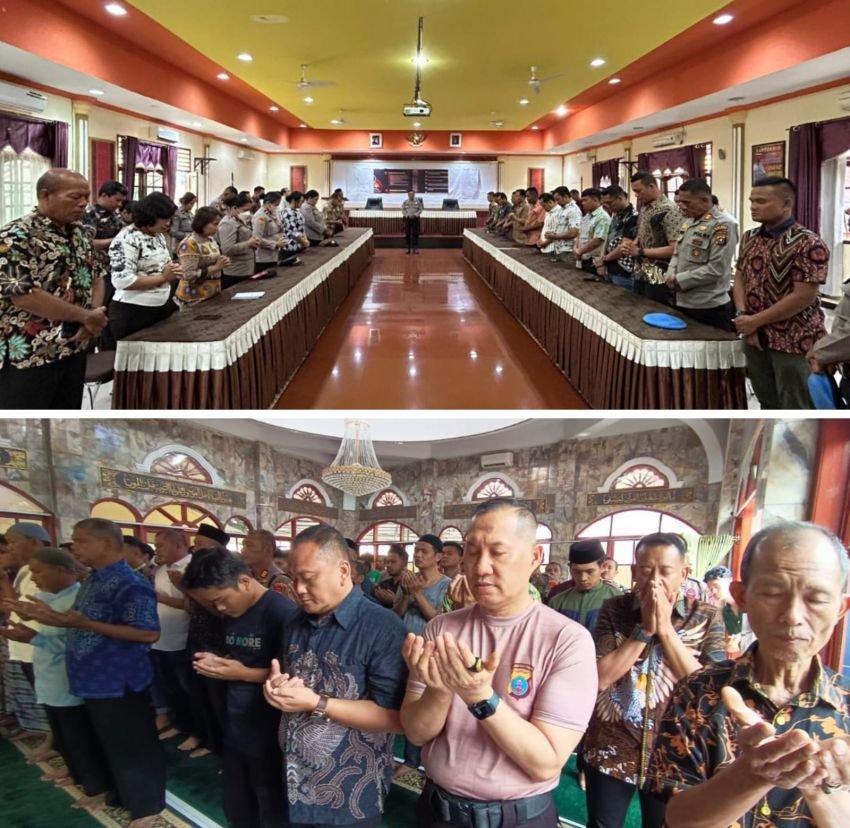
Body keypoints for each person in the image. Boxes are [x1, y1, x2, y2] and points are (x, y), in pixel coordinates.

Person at [400, 498, 598, 828]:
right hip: (438, 811)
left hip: (517, 818)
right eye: (472, 551)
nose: (480, 567)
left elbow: (545, 763)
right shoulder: (442, 628)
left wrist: (481, 697)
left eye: (498, 552)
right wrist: (438, 690)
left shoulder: (567, 640)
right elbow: (416, 733)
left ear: (535, 557)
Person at [651, 522, 850, 828]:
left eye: (817, 599)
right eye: (772, 592)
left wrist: (821, 788)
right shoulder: (699, 691)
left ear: (840, 607)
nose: (793, 616)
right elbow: (678, 818)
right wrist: (750, 775)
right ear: (741, 596)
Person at [8, 518, 165, 827]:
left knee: (132, 746)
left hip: (119, 680)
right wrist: (48, 617)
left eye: (81, 541)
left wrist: (82, 624)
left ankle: (148, 805)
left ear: (106, 544)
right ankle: (116, 793)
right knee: (106, 742)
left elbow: (148, 634)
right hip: (91, 680)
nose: (75, 547)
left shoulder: (131, 584)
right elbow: (78, 621)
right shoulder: (94, 579)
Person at [264, 524, 408, 827]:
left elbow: (396, 718)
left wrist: (316, 703)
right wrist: (278, 689)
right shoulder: (293, 621)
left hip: (350, 792)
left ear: (343, 570)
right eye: (294, 577)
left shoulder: (382, 627)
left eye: (309, 578)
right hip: (294, 781)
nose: (298, 588)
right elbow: (297, 684)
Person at [582, 532, 726, 828]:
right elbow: (600, 678)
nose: (654, 580)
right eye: (646, 570)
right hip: (611, 745)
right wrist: (644, 631)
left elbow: (709, 691)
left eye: (665, 571)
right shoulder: (614, 609)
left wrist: (665, 630)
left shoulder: (706, 617)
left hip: (676, 753)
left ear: (683, 574)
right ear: (634, 572)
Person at [182, 547, 296, 828]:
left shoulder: (281, 613)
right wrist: (222, 664)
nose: (219, 609)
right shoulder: (235, 609)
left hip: (269, 725)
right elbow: (243, 656)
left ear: (244, 581)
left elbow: (293, 677)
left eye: (220, 600)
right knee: (238, 801)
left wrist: (242, 673)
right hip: (238, 721)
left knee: (270, 799)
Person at [0, 169, 108, 408]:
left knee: (66, 412)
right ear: (45, 195)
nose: (83, 204)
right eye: (74, 197)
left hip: (74, 344)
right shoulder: (16, 236)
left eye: (86, 197)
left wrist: (92, 314)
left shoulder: (80, 233)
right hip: (31, 352)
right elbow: (24, 296)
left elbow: (97, 274)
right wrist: (86, 316)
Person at [734, 177, 829, 409]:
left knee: (796, 405)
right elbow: (739, 276)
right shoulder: (749, 237)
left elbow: (802, 296)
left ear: (786, 204)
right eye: (751, 200)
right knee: (767, 401)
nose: (753, 206)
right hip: (754, 336)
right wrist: (743, 316)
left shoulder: (808, 243)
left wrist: (754, 321)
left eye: (761, 201)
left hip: (793, 339)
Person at [0, 547, 82, 787]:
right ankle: (73, 766)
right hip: (49, 674)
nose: (34, 578)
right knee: (60, 727)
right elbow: (30, 618)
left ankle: (84, 774)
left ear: (61, 571)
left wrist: (32, 637)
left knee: (75, 731)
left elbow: (72, 644)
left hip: (66, 678)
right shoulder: (51, 596)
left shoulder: (75, 598)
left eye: (38, 572)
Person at [393, 534, 451, 776]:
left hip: (429, 654)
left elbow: (439, 620)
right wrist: (407, 593)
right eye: (416, 550)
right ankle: (407, 758)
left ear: (438, 557)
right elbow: (395, 614)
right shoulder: (408, 580)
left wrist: (417, 593)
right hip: (403, 649)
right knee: (401, 701)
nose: (418, 555)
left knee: (423, 706)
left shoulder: (447, 584)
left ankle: (420, 759)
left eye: (424, 551)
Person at [0, 523, 52, 747]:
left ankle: (55, 740)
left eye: (13, 542)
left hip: (40, 644)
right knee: (42, 697)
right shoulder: (24, 570)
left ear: (33, 542)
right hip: (24, 643)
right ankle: (50, 738)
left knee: (53, 701)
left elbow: (25, 609)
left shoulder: (49, 570)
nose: (10, 549)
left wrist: (2, 581)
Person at [665, 178, 737, 331]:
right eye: (679, 202)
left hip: (708, 305)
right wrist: (670, 274)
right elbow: (677, 253)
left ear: (705, 200)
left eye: (687, 203)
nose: (682, 207)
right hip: (682, 300)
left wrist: (679, 279)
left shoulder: (722, 225)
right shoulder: (689, 222)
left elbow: (716, 269)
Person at [150, 529, 198, 752]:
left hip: (183, 640)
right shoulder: (161, 570)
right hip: (160, 640)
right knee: (172, 689)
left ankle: (197, 732)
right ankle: (179, 724)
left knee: (189, 691)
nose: (157, 549)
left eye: (161, 545)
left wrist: (163, 598)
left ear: (180, 546)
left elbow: (195, 607)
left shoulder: (191, 569)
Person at [108, 193, 182, 341]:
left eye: (170, 219)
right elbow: (122, 281)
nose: (168, 223)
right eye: (164, 218)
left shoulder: (157, 235)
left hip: (161, 305)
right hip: (134, 311)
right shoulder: (127, 239)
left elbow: (162, 265)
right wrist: (162, 277)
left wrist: (175, 269)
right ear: (150, 216)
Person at [621, 171, 681, 306]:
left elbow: (676, 249)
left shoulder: (670, 210)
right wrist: (632, 245)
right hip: (641, 274)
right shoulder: (645, 209)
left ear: (652, 186)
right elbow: (642, 234)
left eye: (638, 191)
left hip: (660, 276)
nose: (636, 195)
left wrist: (641, 252)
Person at [174, 206, 231, 307]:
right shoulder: (190, 243)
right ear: (202, 223)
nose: (217, 228)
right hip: (194, 299)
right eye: (214, 224)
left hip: (212, 294)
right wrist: (216, 267)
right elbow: (188, 275)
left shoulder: (210, 239)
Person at [704, 564, 754, 658]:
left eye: (716, 586)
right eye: (710, 588)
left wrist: (740, 640)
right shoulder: (724, 612)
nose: (713, 591)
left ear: (730, 582)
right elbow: (728, 641)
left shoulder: (750, 602)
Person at [595, 185, 638, 290]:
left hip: (623, 271)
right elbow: (608, 237)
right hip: (609, 267)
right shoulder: (615, 215)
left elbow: (625, 247)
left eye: (609, 203)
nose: (607, 206)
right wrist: (601, 259)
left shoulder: (634, 216)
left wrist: (604, 259)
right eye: (604, 203)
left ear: (620, 198)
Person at [240, 529, 298, 605]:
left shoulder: (279, 580)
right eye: (243, 545)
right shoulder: (245, 575)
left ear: (268, 550)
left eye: (250, 546)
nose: (242, 550)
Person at [216, 192, 261, 289]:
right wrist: (248, 243)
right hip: (236, 271)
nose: (242, 212)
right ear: (233, 208)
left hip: (246, 267)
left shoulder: (237, 219)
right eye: (240, 209)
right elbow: (227, 249)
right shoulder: (227, 224)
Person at [575, 188, 611, 279]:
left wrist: (580, 251)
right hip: (582, 257)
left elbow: (598, 240)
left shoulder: (602, 217)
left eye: (585, 200)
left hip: (594, 261)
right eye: (582, 201)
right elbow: (580, 233)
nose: (583, 203)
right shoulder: (586, 216)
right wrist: (576, 247)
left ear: (595, 200)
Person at [251, 191, 289, 272]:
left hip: (276, 255)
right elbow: (257, 239)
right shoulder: (260, 216)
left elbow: (280, 228)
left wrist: (282, 240)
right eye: (276, 205)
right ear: (268, 203)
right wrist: (275, 244)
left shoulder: (275, 212)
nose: (277, 207)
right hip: (264, 258)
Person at [544, 186, 582, 262]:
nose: (557, 202)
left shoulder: (573, 210)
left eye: (558, 199)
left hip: (568, 251)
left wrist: (555, 236)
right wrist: (551, 234)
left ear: (565, 196)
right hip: (558, 250)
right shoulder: (562, 209)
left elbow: (573, 233)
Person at [373, 544, 408, 609]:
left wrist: (394, 600)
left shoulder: (410, 585)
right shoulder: (384, 584)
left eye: (393, 562)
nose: (388, 565)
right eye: (387, 562)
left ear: (404, 563)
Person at [281, 191, 310, 261]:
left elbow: (302, 228)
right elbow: (293, 232)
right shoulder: (287, 213)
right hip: (291, 247)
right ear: (294, 201)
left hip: (300, 244)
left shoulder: (297, 211)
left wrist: (305, 240)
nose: (302, 203)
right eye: (301, 201)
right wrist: (304, 242)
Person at [402, 189, 424, 254]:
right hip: (408, 219)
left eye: (412, 194)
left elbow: (420, 209)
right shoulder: (405, 202)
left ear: (414, 194)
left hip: (415, 219)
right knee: (407, 234)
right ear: (408, 195)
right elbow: (403, 210)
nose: (411, 195)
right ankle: (408, 248)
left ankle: (415, 248)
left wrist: (416, 214)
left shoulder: (418, 202)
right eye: (410, 194)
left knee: (415, 234)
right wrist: (407, 215)